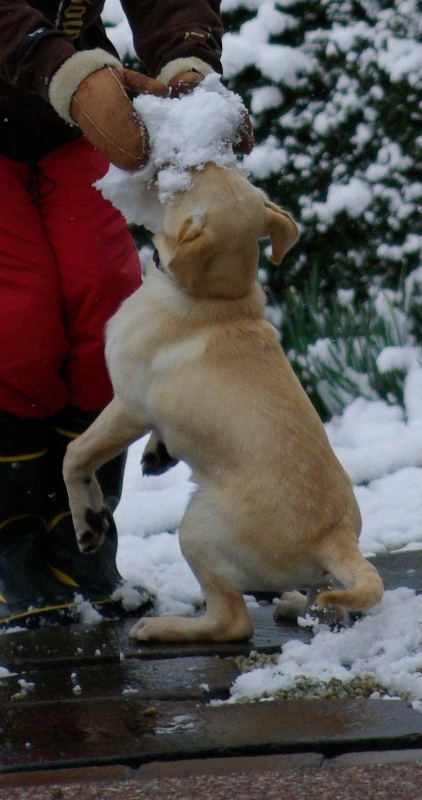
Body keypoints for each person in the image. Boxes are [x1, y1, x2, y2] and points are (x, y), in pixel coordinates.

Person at [0, 0, 233, 626]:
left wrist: (187, 61)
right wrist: (61, 69)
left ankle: (84, 548)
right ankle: (13, 558)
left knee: (108, 302)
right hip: (55, 87)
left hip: (61, 122)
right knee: (13, 325)